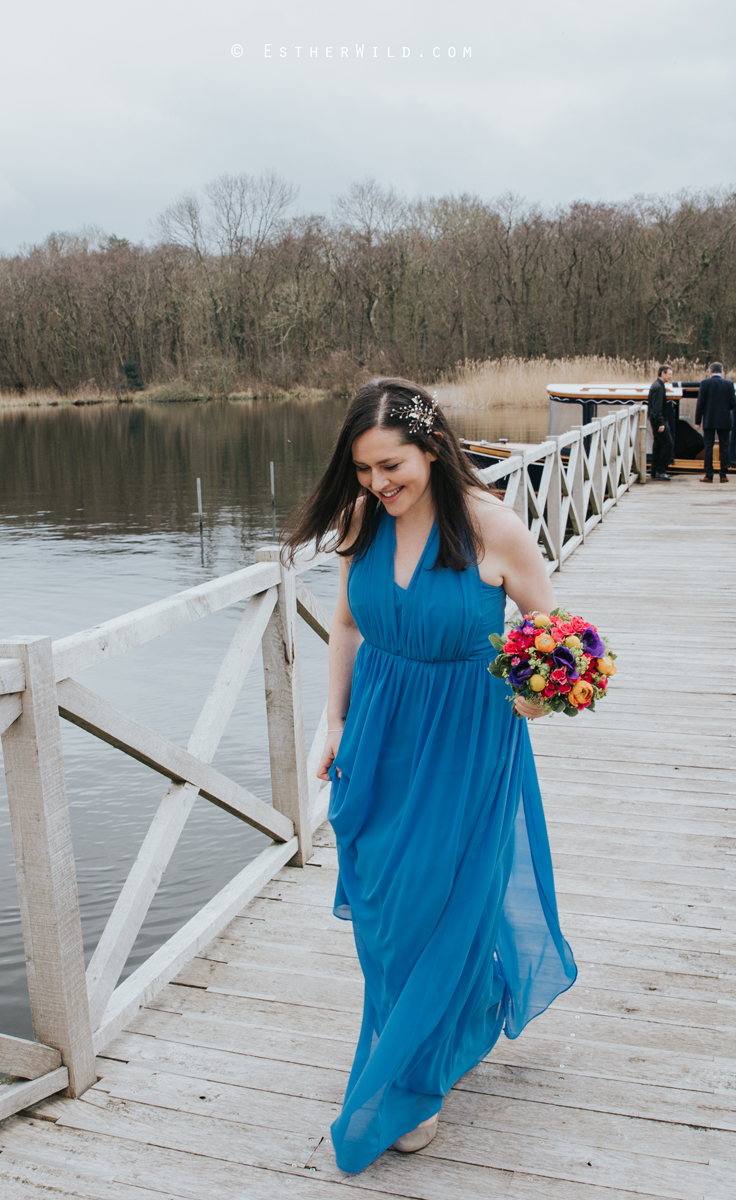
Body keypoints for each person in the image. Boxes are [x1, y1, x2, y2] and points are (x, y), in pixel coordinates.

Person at [283, 378, 578, 1173]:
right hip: (378, 730)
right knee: (381, 906)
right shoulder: (360, 522)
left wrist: (539, 701)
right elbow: (347, 620)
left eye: (392, 465)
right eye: (365, 470)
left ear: (433, 448)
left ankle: (410, 1083)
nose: (380, 484)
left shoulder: (494, 529)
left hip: (465, 739)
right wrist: (336, 720)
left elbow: (553, 637)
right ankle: (460, 1011)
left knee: (432, 906)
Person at [696, 361, 736, 481]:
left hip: (709, 419)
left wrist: (698, 420)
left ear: (710, 372)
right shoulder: (729, 384)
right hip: (724, 419)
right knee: (724, 447)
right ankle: (723, 474)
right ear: (722, 371)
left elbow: (700, 403)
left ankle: (709, 475)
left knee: (708, 446)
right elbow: (733, 403)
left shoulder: (705, 383)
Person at [647, 366, 677, 479]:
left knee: (658, 445)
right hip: (659, 420)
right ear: (663, 373)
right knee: (668, 444)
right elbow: (657, 407)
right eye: (669, 374)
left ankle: (654, 471)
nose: (671, 376)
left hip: (656, 419)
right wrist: (660, 423)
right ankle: (661, 469)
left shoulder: (657, 385)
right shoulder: (658, 387)